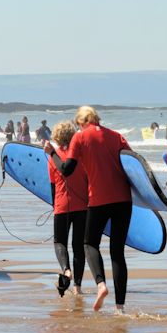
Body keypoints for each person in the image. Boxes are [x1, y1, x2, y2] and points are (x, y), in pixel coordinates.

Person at [45, 106, 133, 314]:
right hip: (124, 200)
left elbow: (66, 169)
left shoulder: (80, 138)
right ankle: (119, 307)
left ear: (81, 122)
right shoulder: (117, 136)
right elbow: (132, 165)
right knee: (117, 252)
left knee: (89, 243)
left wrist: (51, 153)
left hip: (99, 199)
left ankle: (101, 284)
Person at [47, 121, 87, 297]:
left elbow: (53, 186)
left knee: (59, 242)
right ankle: (77, 287)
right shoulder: (81, 156)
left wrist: (54, 204)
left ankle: (66, 270)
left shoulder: (52, 158)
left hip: (62, 205)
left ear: (56, 137)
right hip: (82, 206)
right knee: (79, 246)